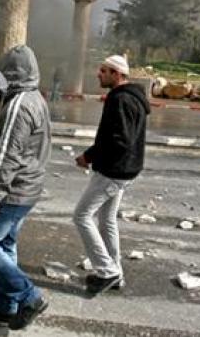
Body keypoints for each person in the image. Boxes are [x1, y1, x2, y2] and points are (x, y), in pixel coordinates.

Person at [0, 45, 51, 330]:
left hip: (13, 190)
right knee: (6, 243)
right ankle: (7, 305)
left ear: (12, 73)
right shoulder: (33, 98)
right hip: (28, 187)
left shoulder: (19, 106)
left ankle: (30, 295)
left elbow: (8, 155)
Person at [73, 54, 150, 296]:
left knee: (82, 215)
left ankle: (107, 272)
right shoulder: (133, 97)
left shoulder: (121, 100)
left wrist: (89, 156)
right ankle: (115, 273)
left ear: (117, 74)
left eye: (104, 71)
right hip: (124, 169)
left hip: (114, 170)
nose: (99, 74)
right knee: (106, 220)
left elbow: (119, 140)